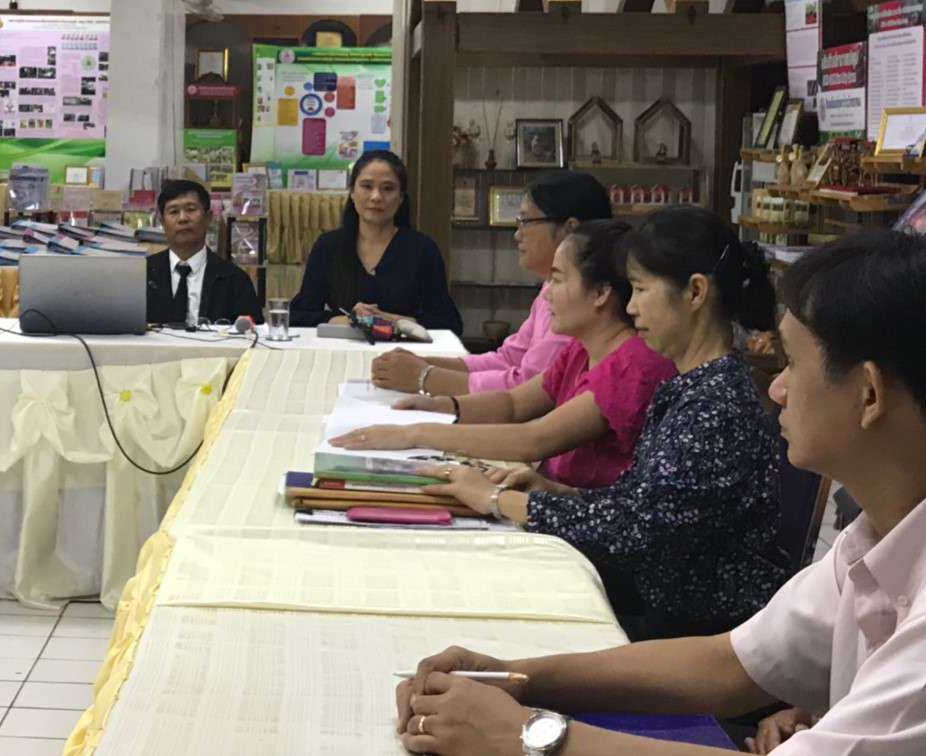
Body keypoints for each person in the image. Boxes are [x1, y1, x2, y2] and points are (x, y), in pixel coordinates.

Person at [394, 231, 926, 756]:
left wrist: (524, 734)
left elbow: (635, 527)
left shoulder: (714, 401)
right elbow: (731, 664)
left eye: (792, 363)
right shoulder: (870, 541)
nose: (777, 388)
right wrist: (516, 678)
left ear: (868, 393)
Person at [431, 206, 787, 641]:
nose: (631, 307)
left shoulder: (716, 404)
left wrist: (497, 500)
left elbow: (633, 529)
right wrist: (555, 492)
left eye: (640, 289)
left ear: (695, 292)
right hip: (656, 601)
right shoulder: (692, 385)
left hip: (683, 628)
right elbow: (638, 503)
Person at [329, 221, 674, 490]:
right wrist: (439, 405)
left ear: (600, 293)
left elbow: (534, 439)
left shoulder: (633, 363)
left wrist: (414, 433)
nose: (547, 295)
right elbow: (513, 404)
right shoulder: (580, 349)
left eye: (557, 280)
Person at [371, 171, 612, 397]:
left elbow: (528, 388)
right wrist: (422, 364)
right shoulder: (550, 288)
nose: (517, 234)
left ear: (570, 229)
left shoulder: (578, 300)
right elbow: (509, 358)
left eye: (526, 221)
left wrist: (425, 377)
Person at [289, 150, 462, 334]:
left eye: (388, 188)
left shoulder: (423, 249)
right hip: (343, 347)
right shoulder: (328, 246)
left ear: (401, 197)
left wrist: (390, 320)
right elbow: (298, 315)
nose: (376, 197)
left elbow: (449, 323)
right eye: (366, 186)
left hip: (404, 349)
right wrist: (348, 320)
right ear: (352, 193)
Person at [145, 179, 262, 326]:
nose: (183, 218)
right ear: (162, 222)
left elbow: (252, 333)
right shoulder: (143, 274)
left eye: (191, 209)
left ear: (208, 218)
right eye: (173, 212)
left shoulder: (235, 279)